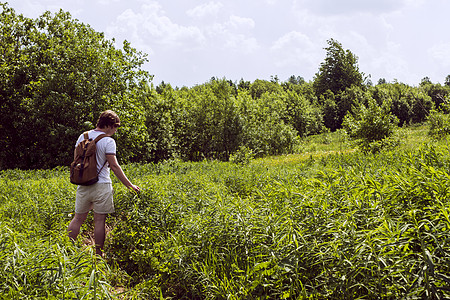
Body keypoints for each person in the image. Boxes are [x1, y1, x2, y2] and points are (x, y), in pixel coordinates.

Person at [68, 110, 140, 256]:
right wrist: (130, 185)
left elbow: (76, 159)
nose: (115, 131)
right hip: (102, 185)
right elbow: (114, 166)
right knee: (99, 221)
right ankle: (98, 256)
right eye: (115, 127)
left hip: (83, 184)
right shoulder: (108, 141)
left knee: (77, 219)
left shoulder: (83, 136)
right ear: (109, 125)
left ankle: (66, 251)